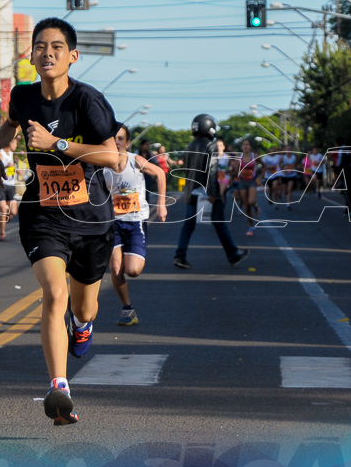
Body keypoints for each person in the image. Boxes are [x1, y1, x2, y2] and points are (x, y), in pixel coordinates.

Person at [0, 17, 120, 426]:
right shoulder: (23, 98)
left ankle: (82, 325)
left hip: (92, 219)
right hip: (43, 214)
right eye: (40, 46)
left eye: (57, 47)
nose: (47, 53)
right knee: (53, 293)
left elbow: (112, 157)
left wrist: (57, 144)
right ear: (31, 55)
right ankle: (59, 387)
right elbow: (7, 129)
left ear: (72, 56)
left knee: (85, 306)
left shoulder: (87, 101)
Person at [102, 123, 168, 326]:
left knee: (133, 270)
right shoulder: (102, 166)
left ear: (127, 143)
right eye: (113, 138)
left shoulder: (135, 161)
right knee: (115, 267)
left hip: (135, 221)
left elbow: (160, 173)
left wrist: (161, 204)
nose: (116, 142)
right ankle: (127, 308)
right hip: (113, 222)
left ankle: (128, 305)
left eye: (120, 138)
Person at [173, 114, 250, 270]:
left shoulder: (189, 146)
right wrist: (213, 193)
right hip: (207, 192)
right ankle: (233, 254)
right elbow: (212, 169)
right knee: (220, 222)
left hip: (191, 191)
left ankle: (180, 255)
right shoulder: (211, 145)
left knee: (188, 225)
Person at [0, 135, 20, 241]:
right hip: (1, 185)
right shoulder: (0, 153)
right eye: (15, 143)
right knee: (3, 209)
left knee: (13, 212)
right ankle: (2, 232)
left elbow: (11, 167)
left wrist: (16, 170)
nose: (16, 146)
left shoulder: (12, 154)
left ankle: (8, 214)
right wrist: (5, 167)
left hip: (11, 185)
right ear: (10, 143)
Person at [234, 137, 262, 237]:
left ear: (250, 147)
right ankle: (251, 226)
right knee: (247, 207)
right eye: (244, 144)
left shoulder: (254, 156)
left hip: (252, 182)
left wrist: (260, 178)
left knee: (251, 202)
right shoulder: (239, 157)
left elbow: (264, 166)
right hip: (242, 182)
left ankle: (255, 205)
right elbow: (236, 171)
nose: (245, 146)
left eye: (247, 144)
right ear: (241, 147)